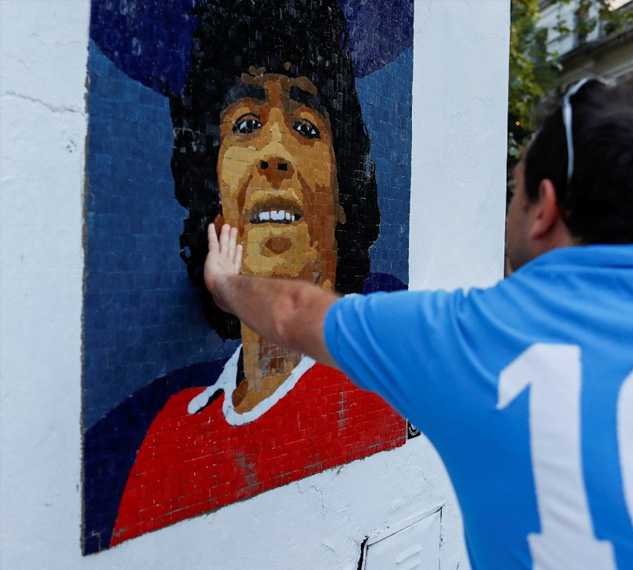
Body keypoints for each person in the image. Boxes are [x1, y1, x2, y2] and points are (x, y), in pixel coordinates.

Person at [204, 76, 633, 569]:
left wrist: (226, 283)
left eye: (514, 190)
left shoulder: (472, 336)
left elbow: (293, 311)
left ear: (546, 209)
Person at [83, 0, 407, 553]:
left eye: (306, 127)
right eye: (248, 126)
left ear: (344, 189)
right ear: (210, 186)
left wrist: (228, 288)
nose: (275, 155)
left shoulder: (385, 383)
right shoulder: (166, 439)